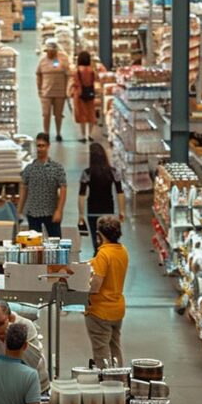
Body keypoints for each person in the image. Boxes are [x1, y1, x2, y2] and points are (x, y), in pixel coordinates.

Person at [85, 215, 128, 368]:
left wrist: (81, 290)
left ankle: (106, 383)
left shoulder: (103, 254)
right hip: (117, 309)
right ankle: (120, 380)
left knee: (101, 351)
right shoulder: (122, 251)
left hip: (100, 311)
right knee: (115, 348)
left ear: (100, 235)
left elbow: (96, 285)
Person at [0, 300, 49, 391]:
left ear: (10, 318)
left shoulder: (26, 325)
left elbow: (32, 362)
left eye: (0, 323)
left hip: (36, 386)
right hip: (6, 388)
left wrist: (14, 338)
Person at [78, 142, 127, 253]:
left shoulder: (87, 173)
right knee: (109, 242)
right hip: (108, 211)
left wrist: (81, 214)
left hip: (92, 212)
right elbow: (120, 192)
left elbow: (81, 195)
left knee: (97, 242)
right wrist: (122, 211)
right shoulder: (113, 172)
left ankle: (98, 264)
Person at [17, 133, 66, 237]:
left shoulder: (57, 168)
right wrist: (19, 210)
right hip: (33, 213)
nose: (40, 149)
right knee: (35, 245)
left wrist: (59, 210)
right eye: (38, 146)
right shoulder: (29, 169)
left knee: (56, 242)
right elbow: (23, 189)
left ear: (48, 146)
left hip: (51, 212)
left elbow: (63, 189)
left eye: (42, 146)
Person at [35, 39, 71, 142]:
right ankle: (46, 133)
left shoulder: (63, 59)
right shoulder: (42, 60)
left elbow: (68, 74)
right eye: (49, 51)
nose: (50, 53)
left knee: (58, 114)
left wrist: (68, 89)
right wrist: (39, 88)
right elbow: (38, 74)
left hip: (60, 92)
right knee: (46, 114)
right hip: (46, 92)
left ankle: (58, 133)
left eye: (52, 51)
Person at [69, 51, 99, 141]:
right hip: (90, 93)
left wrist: (70, 91)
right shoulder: (92, 70)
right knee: (91, 114)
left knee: (81, 115)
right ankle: (89, 135)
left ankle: (83, 136)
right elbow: (96, 79)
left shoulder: (77, 70)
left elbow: (75, 82)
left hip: (79, 95)